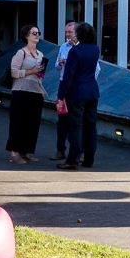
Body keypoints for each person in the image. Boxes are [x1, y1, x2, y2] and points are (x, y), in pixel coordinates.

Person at [58, 23, 102, 170]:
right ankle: (89, 159)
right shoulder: (95, 49)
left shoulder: (74, 51)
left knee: (75, 127)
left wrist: (61, 95)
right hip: (92, 91)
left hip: (76, 93)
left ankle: (72, 160)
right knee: (91, 127)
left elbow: (68, 75)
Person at [6, 25, 46, 164]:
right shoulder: (21, 53)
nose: (37, 35)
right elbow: (14, 72)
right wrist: (31, 71)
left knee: (32, 124)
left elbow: (39, 73)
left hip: (36, 91)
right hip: (21, 91)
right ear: (26, 35)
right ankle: (14, 152)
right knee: (19, 122)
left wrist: (40, 72)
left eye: (38, 33)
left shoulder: (40, 54)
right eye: (34, 33)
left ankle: (25, 151)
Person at [50, 21, 78, 162]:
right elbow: (56, 67)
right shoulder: (63, 47)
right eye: (66, 32)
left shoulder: (82, 48)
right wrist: (60, 64)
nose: (67, 35)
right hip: (63, 86)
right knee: (62, 117)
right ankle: (60, 149)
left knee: (76, 118)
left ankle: (78, 151)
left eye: (70, 32)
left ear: (76, 33)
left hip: (75, 86)